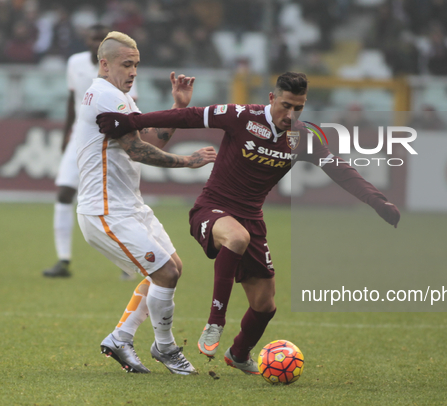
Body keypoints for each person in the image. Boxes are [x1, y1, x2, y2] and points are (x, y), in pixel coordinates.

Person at [96, 72, 400, 375]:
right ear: (271, 98)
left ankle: (238, 353)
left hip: (252, 219)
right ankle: (215, 322)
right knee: (236, 238)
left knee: (265, 305)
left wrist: (378, 202)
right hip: (211, 209)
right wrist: (129, 122)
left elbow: (340, 170)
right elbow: (191, 116)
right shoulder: (242, 116)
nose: (290, 114)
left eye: (298, 108)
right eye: (285, 105)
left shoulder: (303, 137)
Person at [77, 31, 216, 374]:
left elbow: (150, 139)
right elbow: (137, 151)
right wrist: (189, 161)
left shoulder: (119, 95)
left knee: (172, 269)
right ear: (104, 64)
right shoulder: (107, 96)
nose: (134, 71)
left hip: (130, 206)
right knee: (164, 273)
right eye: (127, 64)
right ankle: (165, 347)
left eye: (137, 64)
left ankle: (120, 338)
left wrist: (178, 108)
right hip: (106, 210)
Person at [42, 24, 138, 280]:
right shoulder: (75, 63)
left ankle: (127, 261)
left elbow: (131, 103)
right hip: (79, 137)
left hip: (109, 140)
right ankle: (63, 260)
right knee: (64, 192)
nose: (95, 42)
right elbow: (71, 99)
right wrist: (66, 133)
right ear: (86, 40)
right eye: (92, 38)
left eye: (100, 38)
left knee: (117, 199)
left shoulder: (120, 66)